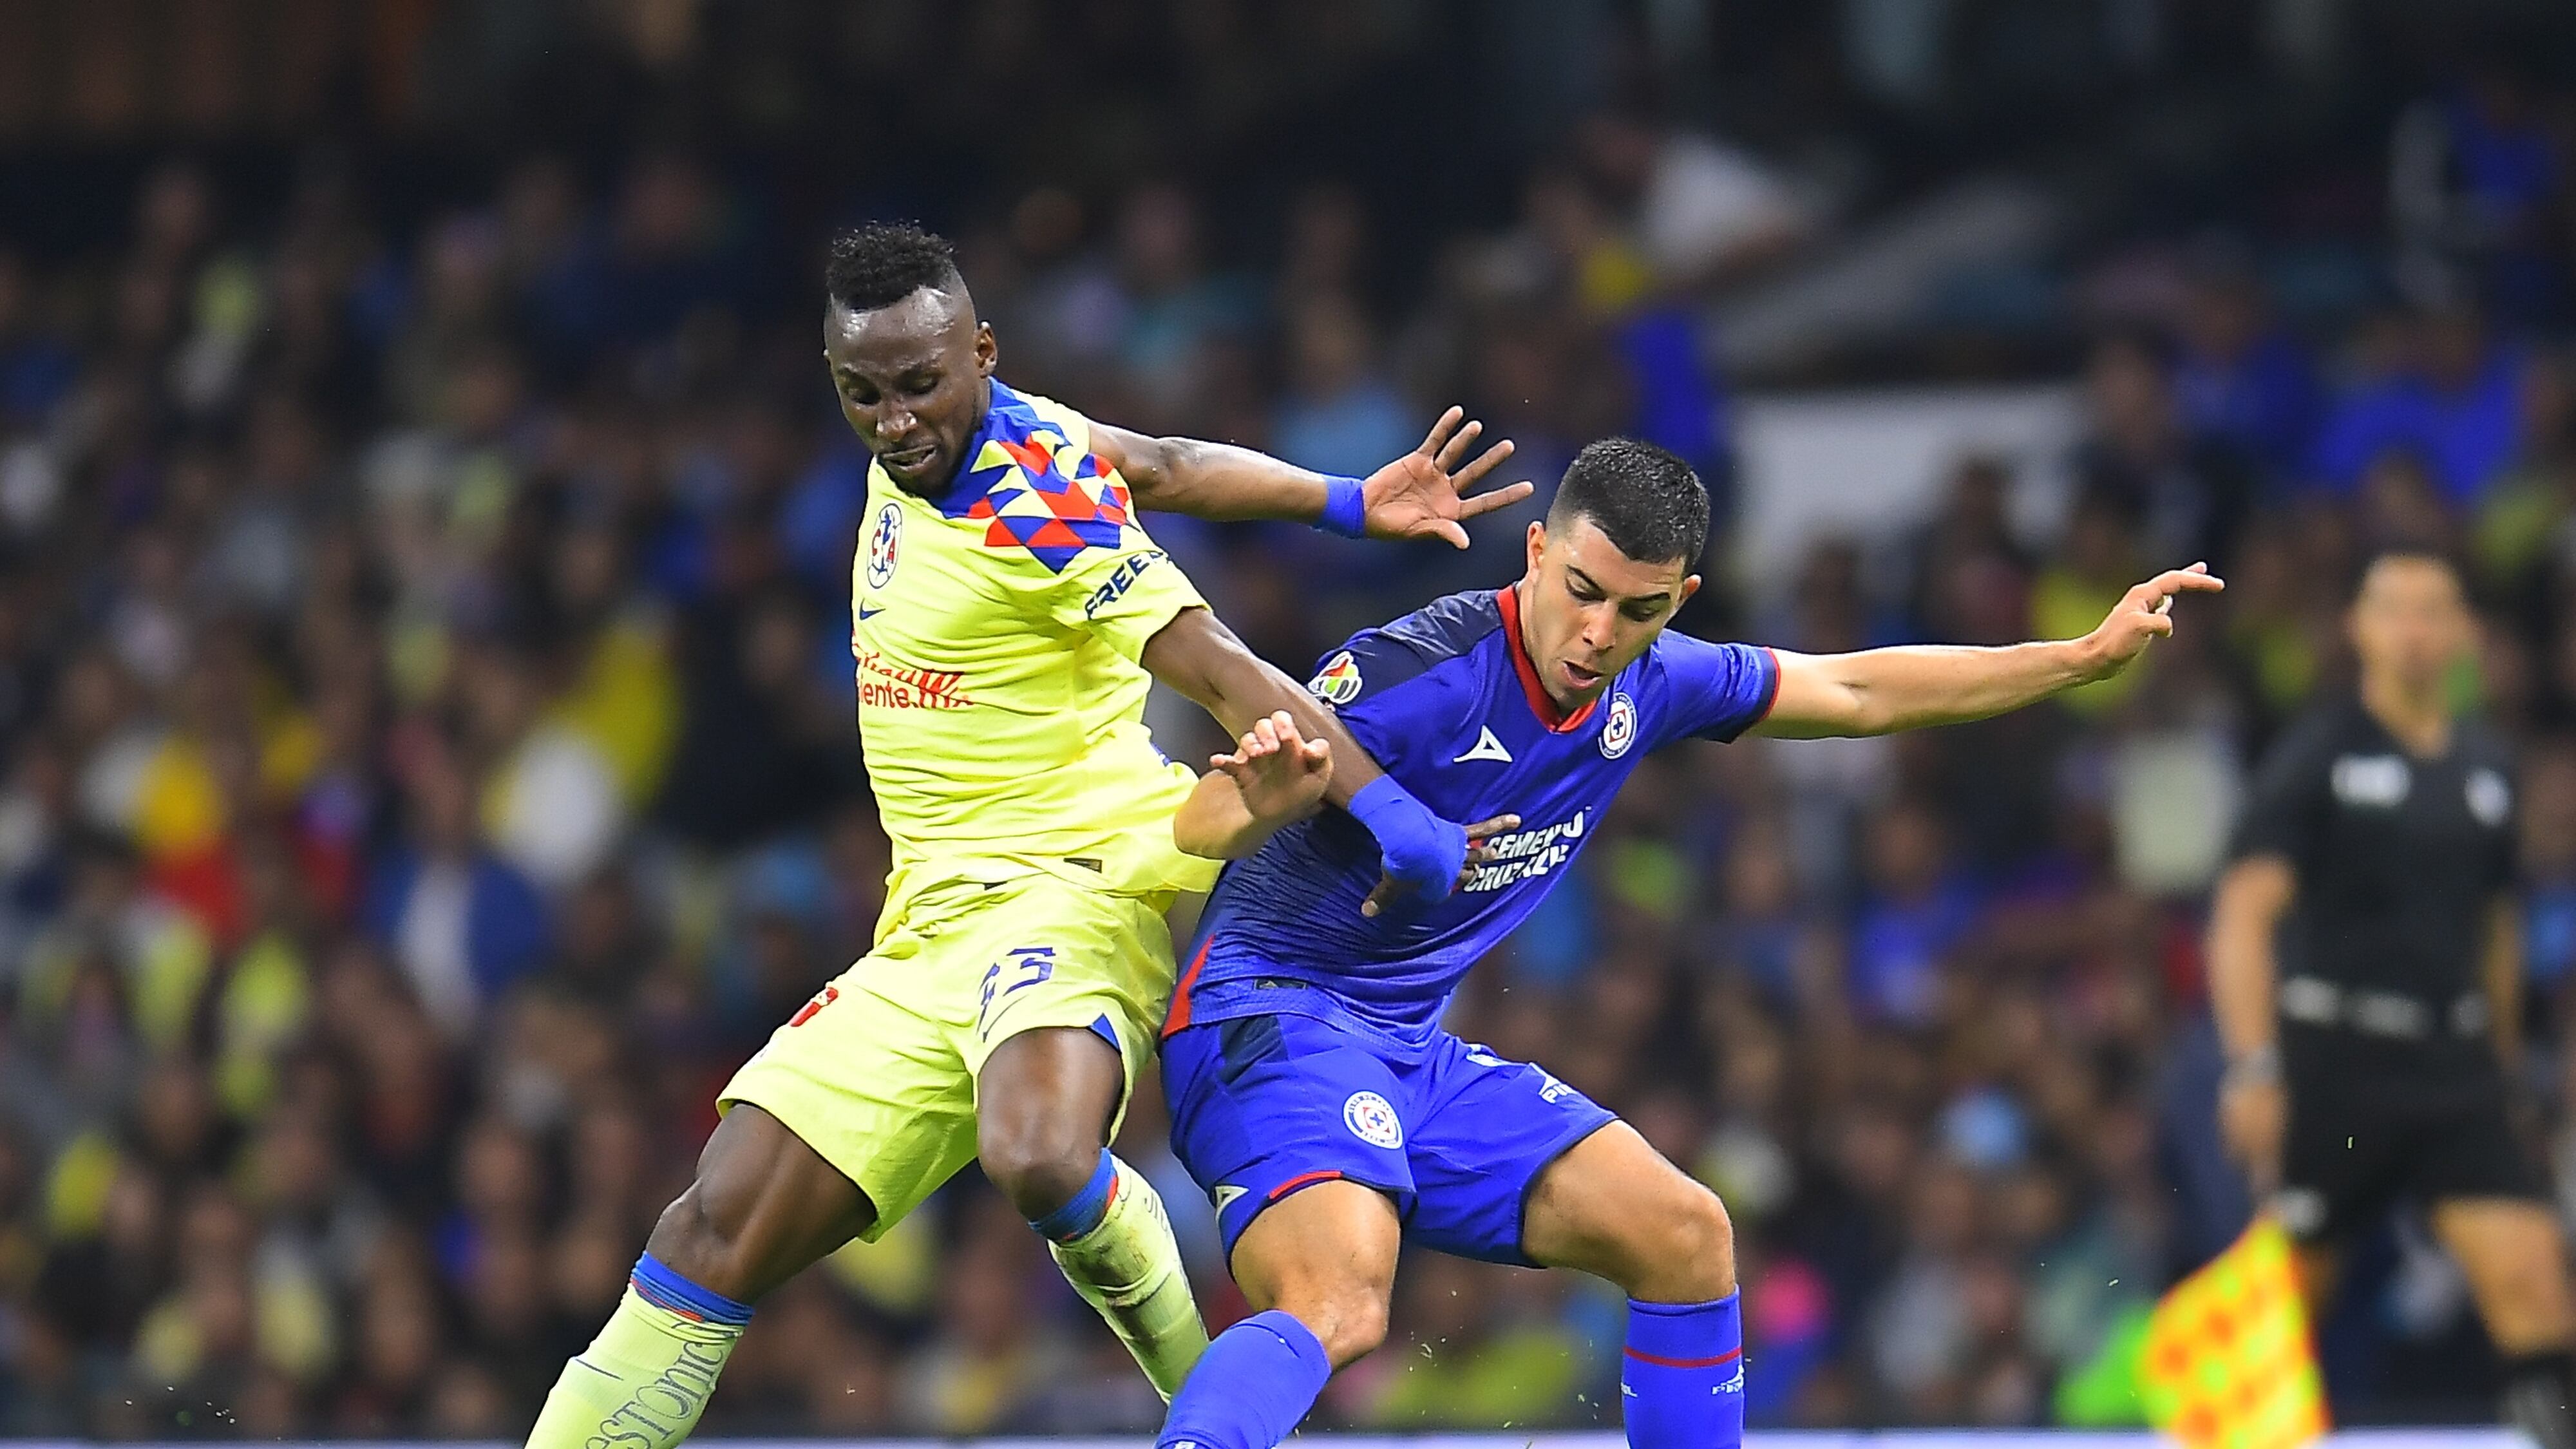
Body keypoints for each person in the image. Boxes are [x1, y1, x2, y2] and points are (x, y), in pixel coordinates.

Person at [523, 222, 1529, 1449]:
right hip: (927, 927)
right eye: (864, 394)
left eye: (920, 384)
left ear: (982, 354)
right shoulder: (983, 440)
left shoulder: (1034, 502)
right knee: (706, 1231)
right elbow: (1159, 462)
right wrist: (1342, 500)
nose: (896, 421)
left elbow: (1222, 667)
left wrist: (1400, 821)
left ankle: (1214, 1414)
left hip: (1073, 890)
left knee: (1039, 1152)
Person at [1148, 437, 2222, 1449]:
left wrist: (2076, 659)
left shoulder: (1653, 682)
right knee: (1343, 1300)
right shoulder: (1420, 671)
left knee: (1687, 1234)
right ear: (1537, 550)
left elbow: (1856, 689)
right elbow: (1207, 811)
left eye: (1638, 609)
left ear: (1680, 599)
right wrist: (1293, 804)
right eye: (1581, 590)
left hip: (1406, 1049)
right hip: (1263, 1019)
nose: (1598, 633)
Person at [2210, 550, 2576, 1448]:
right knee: (2285, 1305)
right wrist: (2253, 1066)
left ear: (2464, 634)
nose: (2413, 629)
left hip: (2454, 1069)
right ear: (2359, 629)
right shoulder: (2321, 751)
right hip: (2337, 1066)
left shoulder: (2489, 766)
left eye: (2432, 610)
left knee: (2535, 1281)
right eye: (2393, 609)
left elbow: (2495, 929)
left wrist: (2501, 1071)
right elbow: (2243, 913)